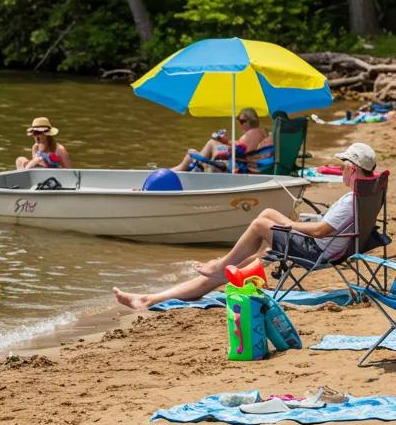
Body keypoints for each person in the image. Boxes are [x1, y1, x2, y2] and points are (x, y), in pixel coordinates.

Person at [114, 142, 378, 310]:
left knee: (261, 224)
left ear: (352, 170)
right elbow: (331, 229)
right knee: (267, 213)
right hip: (330, 248)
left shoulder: (349, 199)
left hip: (317, 250)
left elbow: (322, 231)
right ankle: (156, 296)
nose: (340, 171)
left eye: (343, 166)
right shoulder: (363, 195)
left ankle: (160, 294)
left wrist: (289, 223)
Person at [170, 108, 269, 173]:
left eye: (242, 121)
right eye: (239, 120)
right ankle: (197, 162)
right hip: (248, 166)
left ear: (251, 121)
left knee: (192, 154)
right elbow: (242, 148)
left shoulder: (250, 135)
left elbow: (238, 155)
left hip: (237, 169)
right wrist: (226, 142)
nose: (240, 124)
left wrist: (221, 153)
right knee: (212, 144)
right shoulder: (261, 132)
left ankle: (171, 172)